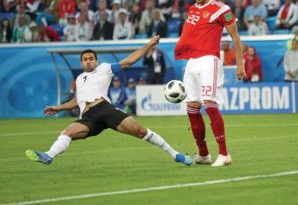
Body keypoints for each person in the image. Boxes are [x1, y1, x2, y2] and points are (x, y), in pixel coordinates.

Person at [25, 36, 192, 166]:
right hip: (88, 117)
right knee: (67, 132)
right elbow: (79, 99)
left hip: (106, 110)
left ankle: (175, 154)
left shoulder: (104, 69)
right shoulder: (80, 78)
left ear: (95, 60)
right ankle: (48, 155)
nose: (88, 61)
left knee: (140, 131)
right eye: (85, 59)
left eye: (91, 58)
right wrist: (60, 107)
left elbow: (129, 61)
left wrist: (149, 45)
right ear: (81, 62)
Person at [174, 0, 247, 167]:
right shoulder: (192, 9)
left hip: (209, 60)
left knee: (210, 104)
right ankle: (203, 153)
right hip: (192, 62)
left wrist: (240, 64)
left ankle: (224, 154)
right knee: (192, 107)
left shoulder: (222, 9)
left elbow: (235, 37)